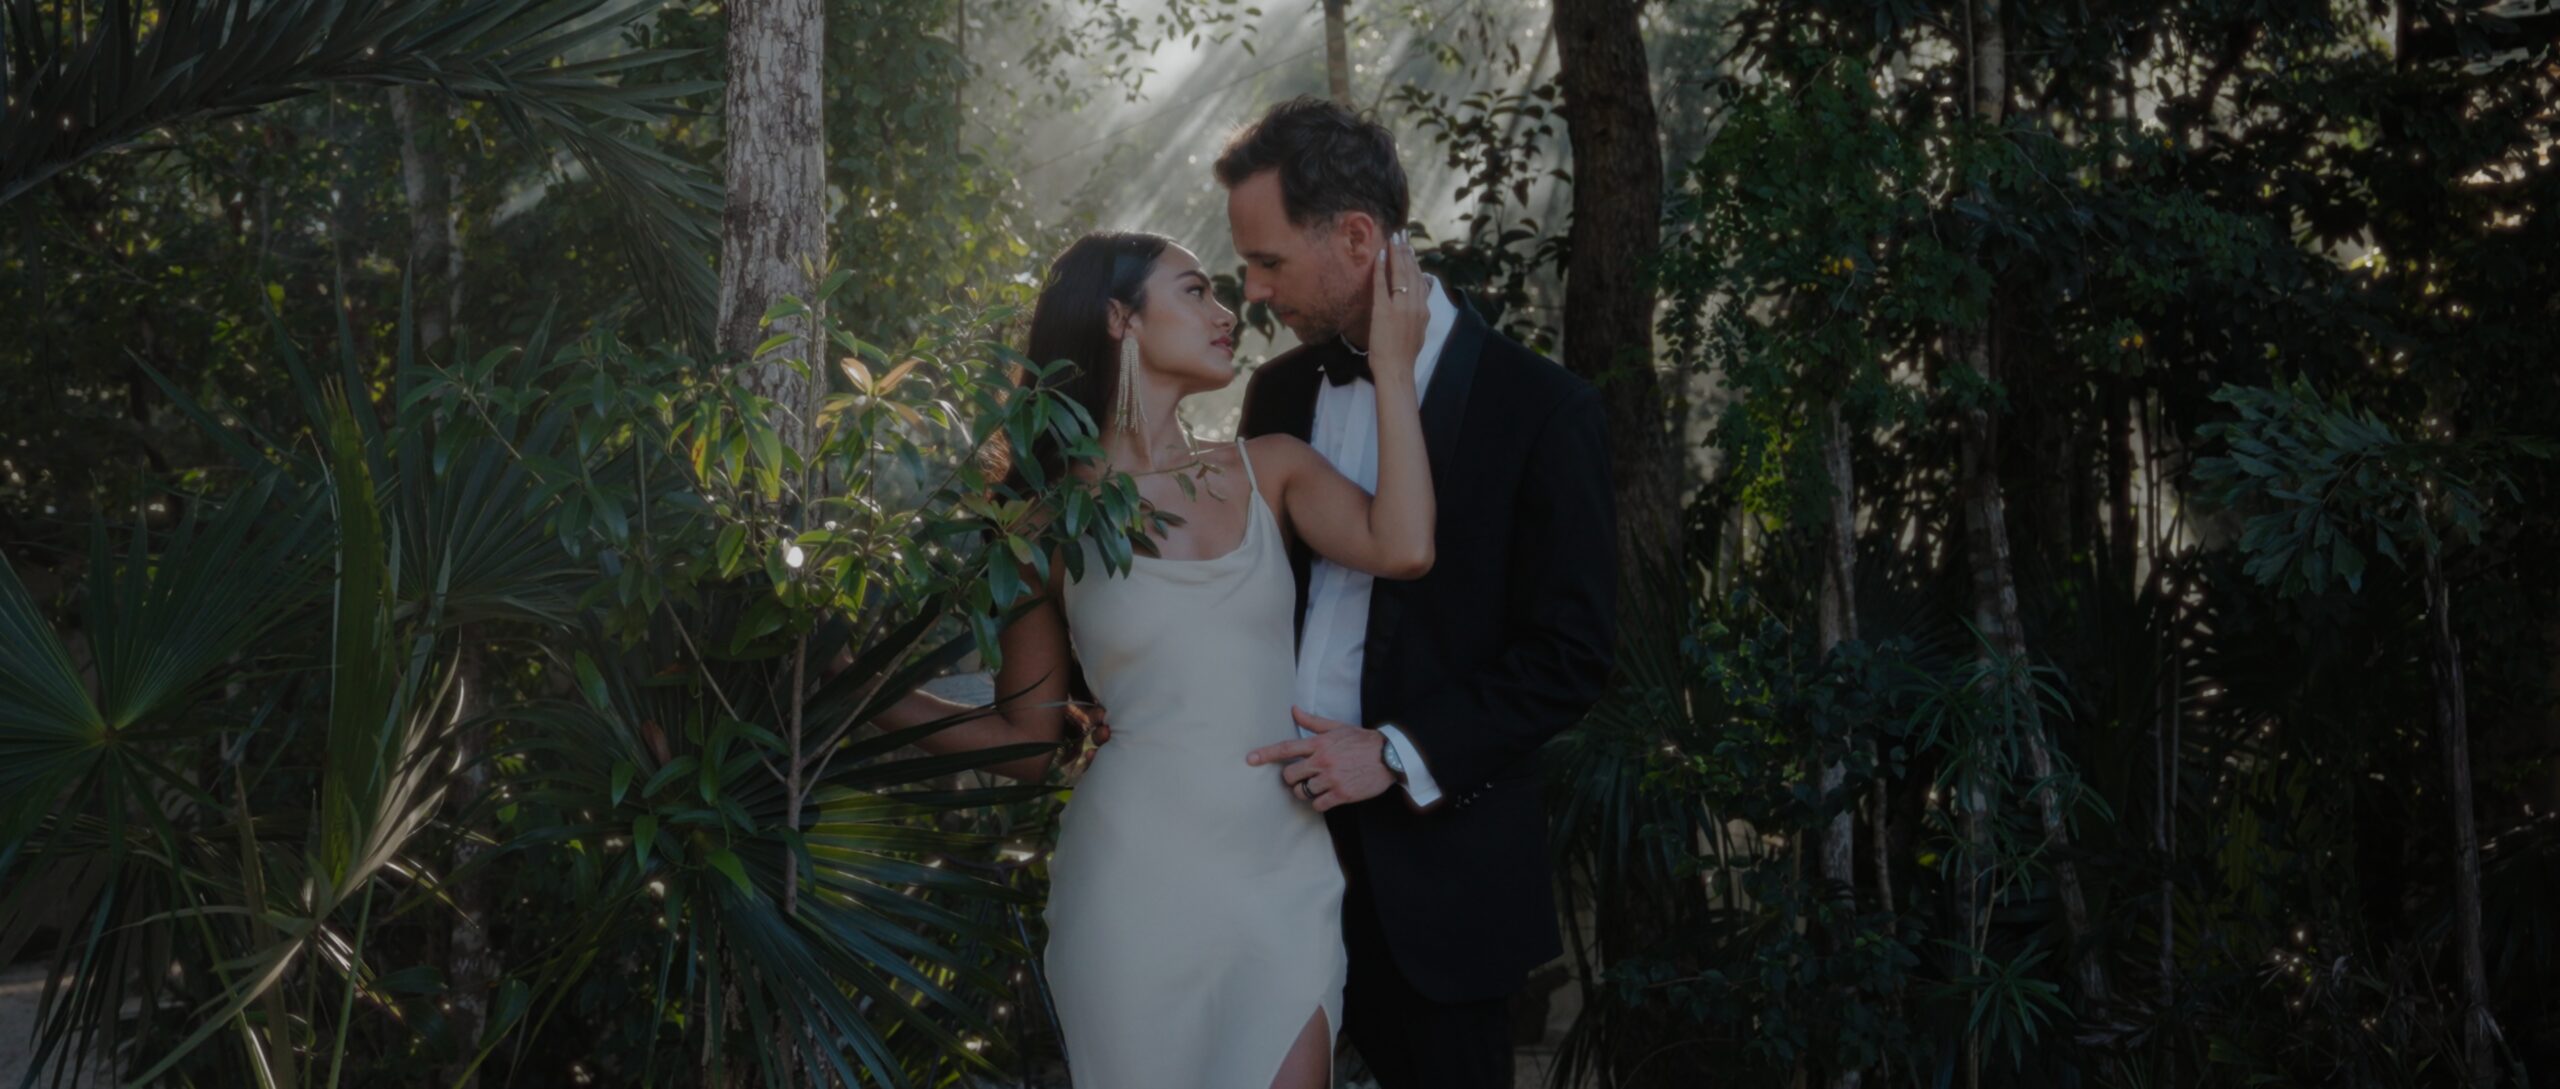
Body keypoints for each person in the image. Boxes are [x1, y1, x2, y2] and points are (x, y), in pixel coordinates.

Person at [876, 227, 1435, 1089]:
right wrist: (871, 699)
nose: (1226, 313)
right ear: (1117, 317)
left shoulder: (1271, 470)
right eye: (1194, 291)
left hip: (1280, 869)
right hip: (1132, 874)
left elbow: (1403, 546)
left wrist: (1394, 367)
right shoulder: (1042, 522)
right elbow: (1028, 738)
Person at [1222, 96, 1619, 1089]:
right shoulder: (1275, 397)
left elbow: (1569, 657)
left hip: (1441, 882)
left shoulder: (1543, 410)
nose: (1253, 291)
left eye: (1268, 261)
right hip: (1262, 852)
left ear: (1357, 237)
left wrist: (1395, 754)